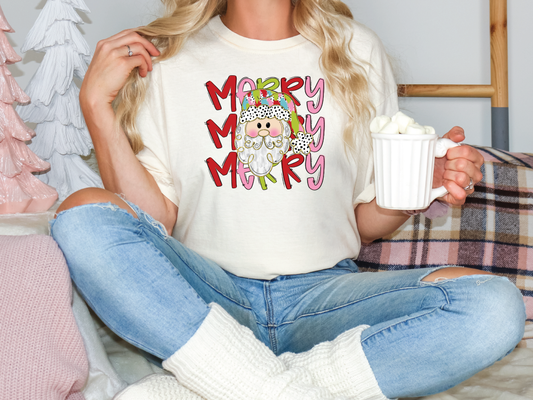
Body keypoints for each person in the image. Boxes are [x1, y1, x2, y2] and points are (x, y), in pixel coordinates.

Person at [50, 0, 526, 399]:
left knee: (494, 308)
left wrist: (419, 186)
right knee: (82, 211)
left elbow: (362, 222)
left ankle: (230, 383)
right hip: (210, 298)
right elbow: (155, 223)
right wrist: (96, 108)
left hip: (325, 300)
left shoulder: (355, 50)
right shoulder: (168, 59)